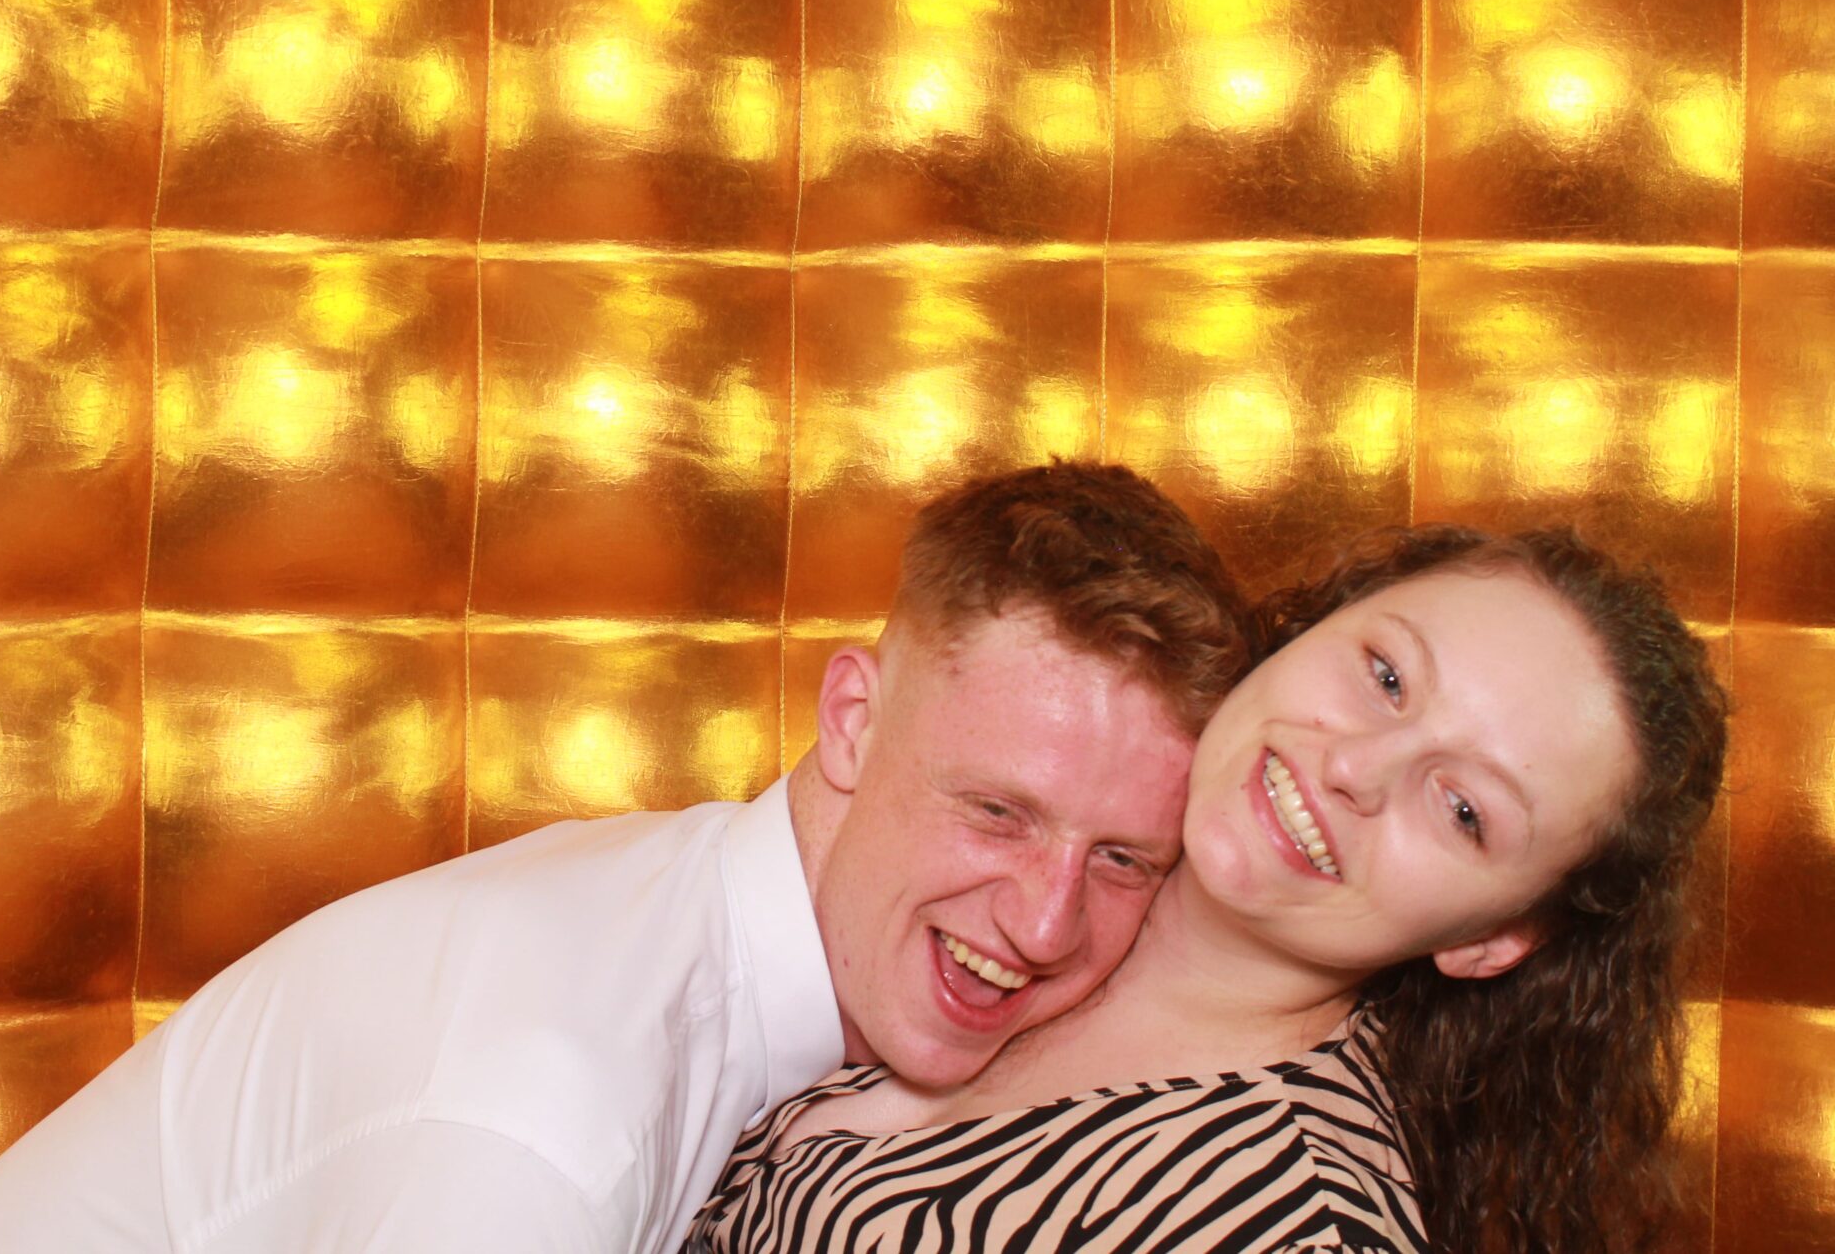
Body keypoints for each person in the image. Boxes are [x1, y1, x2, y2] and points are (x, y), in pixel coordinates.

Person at [0, 462, 1255, 1254]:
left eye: (1122, 858)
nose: (1043, 922)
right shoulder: (547, 1115)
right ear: (852, 720)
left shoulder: (689, 920)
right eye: (998, 811)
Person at [683, 525, 1729, 1254]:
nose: (1355, 769)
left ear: (1491, 940)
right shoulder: (1024, 860)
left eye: (1463, 810)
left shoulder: (1295, 1220)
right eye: (1385, 676)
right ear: (1312, 626)